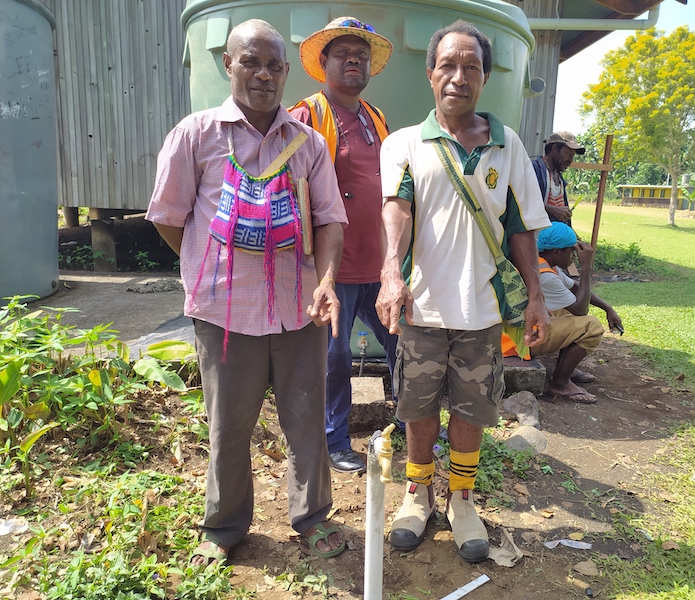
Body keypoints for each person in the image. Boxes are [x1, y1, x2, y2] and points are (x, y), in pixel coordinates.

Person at [146, 19, 349, 565]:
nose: (263, 74)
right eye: (250, 62)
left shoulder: (307, 143)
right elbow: (170, 219)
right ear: (227, 65)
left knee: (306, 420)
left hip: (298, 308)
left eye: (274, 65)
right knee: (228, 424)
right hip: (224, 311)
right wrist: (209, 266)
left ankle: (311, 518)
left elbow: (330, 219)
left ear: (285, 72)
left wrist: (326, 280)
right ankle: (226, 526)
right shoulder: (196, 135)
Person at [376, 20, 551, 563]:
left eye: (470, 66)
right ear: (431, 74)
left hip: (483, 311)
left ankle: (463, 499)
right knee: (418, 405)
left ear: (486, 76)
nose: (458, 76)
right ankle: (416, 494)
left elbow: (522, 226)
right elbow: (397, 209)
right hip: (422, 309)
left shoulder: (508, 144)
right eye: (447, 65)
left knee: (472, 410)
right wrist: (390, 271)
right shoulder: (405, 142)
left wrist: (537, 295)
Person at [290, 17, 397, 474]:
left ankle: (413, 425)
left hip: (378, 265)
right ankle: (333, 438)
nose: (354, 61)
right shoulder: (306, 116)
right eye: (343, 54)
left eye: (362, 55)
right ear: (324, 62)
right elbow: (288, 193)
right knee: (333, 358)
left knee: (404, 346)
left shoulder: (376, 118)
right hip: (329, 267)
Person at [502, 222, 623, 404]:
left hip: (514, 333)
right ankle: (560, 382)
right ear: (557, 252)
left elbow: (575, 287)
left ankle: (567, 366)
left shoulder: (542, 264)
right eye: (571, 251)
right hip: (517, 343)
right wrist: (587, 268)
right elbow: (581, 309)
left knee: (565, 309)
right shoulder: (546, 277)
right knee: (591, 326)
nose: (574, 257)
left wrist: (608, 308)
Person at [531, 131, 585, 223]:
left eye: (573, 156)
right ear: (555, 148)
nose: (570, 160)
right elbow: (523, 201)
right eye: (569, 154)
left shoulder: (559, 179)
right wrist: (552, 209)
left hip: (553, 236)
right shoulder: (534, 169)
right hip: (535, 236)